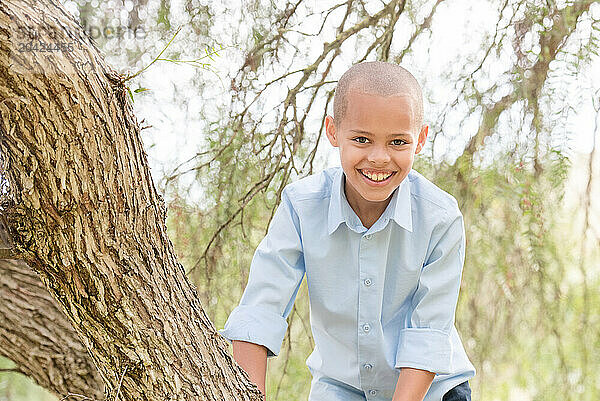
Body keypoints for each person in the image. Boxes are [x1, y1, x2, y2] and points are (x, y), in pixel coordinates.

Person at [218, 61, 476, 401]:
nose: (379, 157)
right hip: (341, 389)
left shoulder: (440, 219)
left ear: (421, 140)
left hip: (432, 390)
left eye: (398, 141)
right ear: (333, 131)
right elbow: (260, 312)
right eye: (361, 139)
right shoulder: (301, 207)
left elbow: (427, 336)